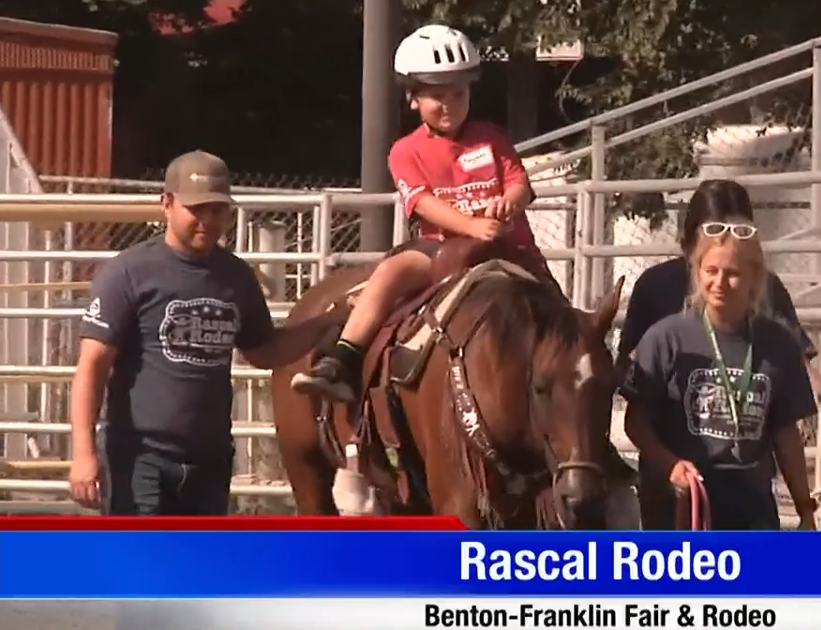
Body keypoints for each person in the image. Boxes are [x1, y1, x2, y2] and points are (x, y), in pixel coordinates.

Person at [68, 150, 345, 516]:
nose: (207, 221)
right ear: (166, 204)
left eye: (217, 210)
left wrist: (328, 320)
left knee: (201, 567)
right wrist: (83, 452)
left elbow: (264, 352)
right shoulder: (129, 273)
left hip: (209, 461)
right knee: (143, 567)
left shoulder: (235, 277)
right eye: (196, 209)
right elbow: (92, 366)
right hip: (140, 460)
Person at [291, 24, 546, 405]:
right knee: (391, 271)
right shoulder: (404, 151)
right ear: (413, 99)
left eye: (458, 93)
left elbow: (518, 183)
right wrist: (473, 226)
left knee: (558, 316)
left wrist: (510, 201)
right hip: (441, 250)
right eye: (436, 96)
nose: (449, 104)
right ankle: (343, 357)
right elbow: (424, 203)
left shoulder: (492, 137)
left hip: (510, 249)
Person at [616, 179, 821, 529]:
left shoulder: (775, 339)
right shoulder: (663, 327)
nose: (720, 282)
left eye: (733, 273)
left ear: (753, 278)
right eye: (711, 271)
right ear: (696, 266)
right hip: (681, 501)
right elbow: (634, 409)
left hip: (751, 504)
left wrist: (804, 507)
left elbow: (785, 429)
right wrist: (668, 463)